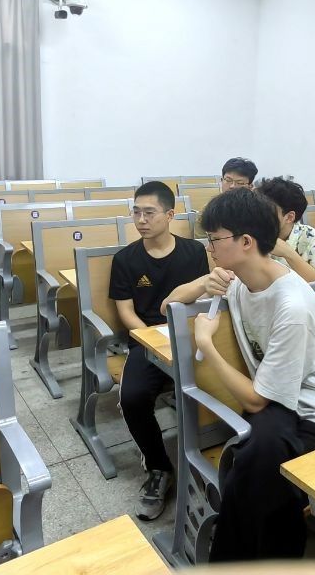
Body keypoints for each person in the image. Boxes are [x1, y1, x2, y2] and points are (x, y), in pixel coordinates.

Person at [164, 188, 315, 561]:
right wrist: (203, 284)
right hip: (281, 405)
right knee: (262, 466)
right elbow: (168, 304)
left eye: (214, 239)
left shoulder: (291, 305)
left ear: (245, 241)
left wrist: (207, 345)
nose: (209, 247)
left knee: (260, 468)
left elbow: (257, 400)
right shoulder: (242, 280)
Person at [109, 181, 209, 521]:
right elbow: (125, 312)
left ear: (170, 214)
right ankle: (158, 467)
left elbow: (203, 298)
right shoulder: (125, 259)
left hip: (191, 334)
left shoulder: (194, 253)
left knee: (219, 385)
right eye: (136, 213)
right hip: (146, 339)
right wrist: (153, 339)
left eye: (149, 213)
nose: (141, 220)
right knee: (133, 397)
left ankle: (212, 457)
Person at [256, 176, 315, 282]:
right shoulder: (251, 233)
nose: (259, 216)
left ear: (289, 217)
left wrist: (288, 253)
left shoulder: (309, 235)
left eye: (266, 211)